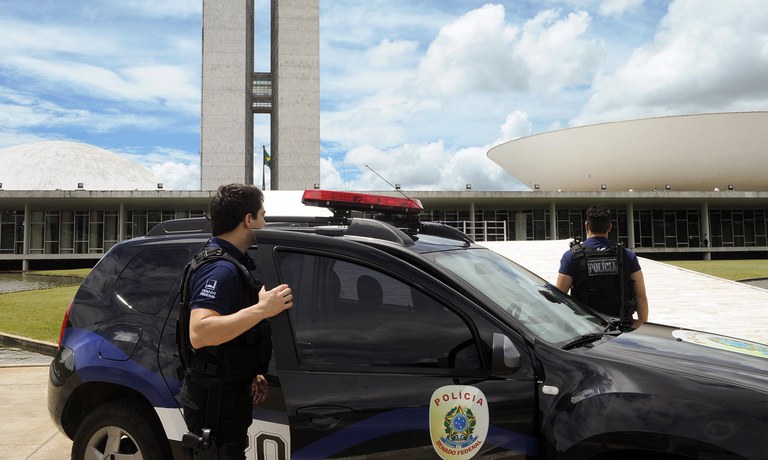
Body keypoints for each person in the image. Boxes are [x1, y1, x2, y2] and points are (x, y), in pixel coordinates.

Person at [178, 183, 293, 459]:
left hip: (223, 394)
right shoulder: (221, 269)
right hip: (214, 404)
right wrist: (263, 309)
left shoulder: (230, 262)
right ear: (248, 220)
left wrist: (250, 370)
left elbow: (229, 337)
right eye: (262, 216)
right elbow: (200, 331)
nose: (264, 224)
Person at [556, 205, 648, 329]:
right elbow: (640, 296)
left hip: (585, 329)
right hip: (621, 328)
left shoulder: (571, 256)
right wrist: (642, 327)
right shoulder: (627, 255)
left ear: (586, 226)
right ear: (609, 227)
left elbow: (559, 296)